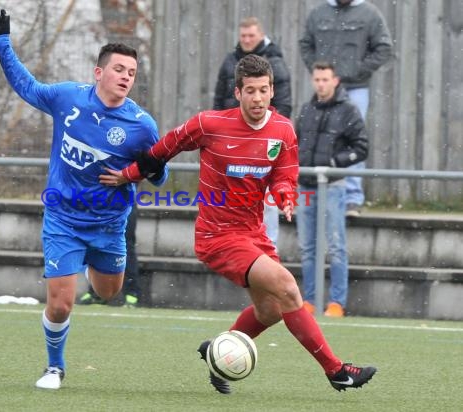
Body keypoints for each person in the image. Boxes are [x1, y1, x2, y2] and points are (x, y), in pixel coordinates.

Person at [102, 54, 376, 395]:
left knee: (271, 310)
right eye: (250, 91)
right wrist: (128, 175)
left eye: (263, 90)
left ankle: (218, 353)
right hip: (216, 236)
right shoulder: (208, 124)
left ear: (272, 91)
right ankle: (336, 371)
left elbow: (284, 175)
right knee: (289, 289)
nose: (257, 98)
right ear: (237, 92)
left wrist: (285, 195)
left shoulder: (283, 130)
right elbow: (163, 150)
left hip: (253, 234)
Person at [0, 8, 168, 390]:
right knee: (61, 304)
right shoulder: (68, 98)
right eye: (119, 70)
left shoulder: (141, 126)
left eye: (131, 73)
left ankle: (85, 266)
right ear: (99, 73)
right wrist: (2, 43)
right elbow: (28, 88)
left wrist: (144, 169)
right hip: (63, 219)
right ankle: (54, 368)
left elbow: (160, 176)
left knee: (108, 292)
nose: (126, 78)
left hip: (108, 225)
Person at [299, 0, 392, 216]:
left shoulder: (369, 14)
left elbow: (384, 47)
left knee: (353, 142)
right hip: (324, 89)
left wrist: (359, 70)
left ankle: (352, 199)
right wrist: (319, 71)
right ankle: (313, 193)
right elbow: (305, 43)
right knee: (315, 138)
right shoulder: (318, 13)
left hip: (355, 88)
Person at [296, 61, 368, 317]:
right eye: (317, 79)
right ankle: (310, 300)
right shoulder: (306, 110)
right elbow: (295, 143)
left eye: (325, 79)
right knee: (307, 248)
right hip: (305, 185)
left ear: (335, 81)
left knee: (336, 246)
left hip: (334, 187)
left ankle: (337, 302)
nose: (321, 84)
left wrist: (335, 163)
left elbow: (361, 147)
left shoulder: (348, 111)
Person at [213, 16, 293, 245]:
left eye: (251, 36)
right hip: (232, 141)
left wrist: (272, 133)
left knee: (265, 202)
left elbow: (284, 104)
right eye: (243, 36)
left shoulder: (274, 62)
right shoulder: (230, 62)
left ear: (261, 36)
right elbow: (219, 99)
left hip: (263, 139)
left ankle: (267, 254)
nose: (247, 40)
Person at [79, 203, 142, 307]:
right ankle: (97, 292)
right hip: (99, 202)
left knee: (126, 244)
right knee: (97, 243)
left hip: (123, 201)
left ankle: (132, 292)